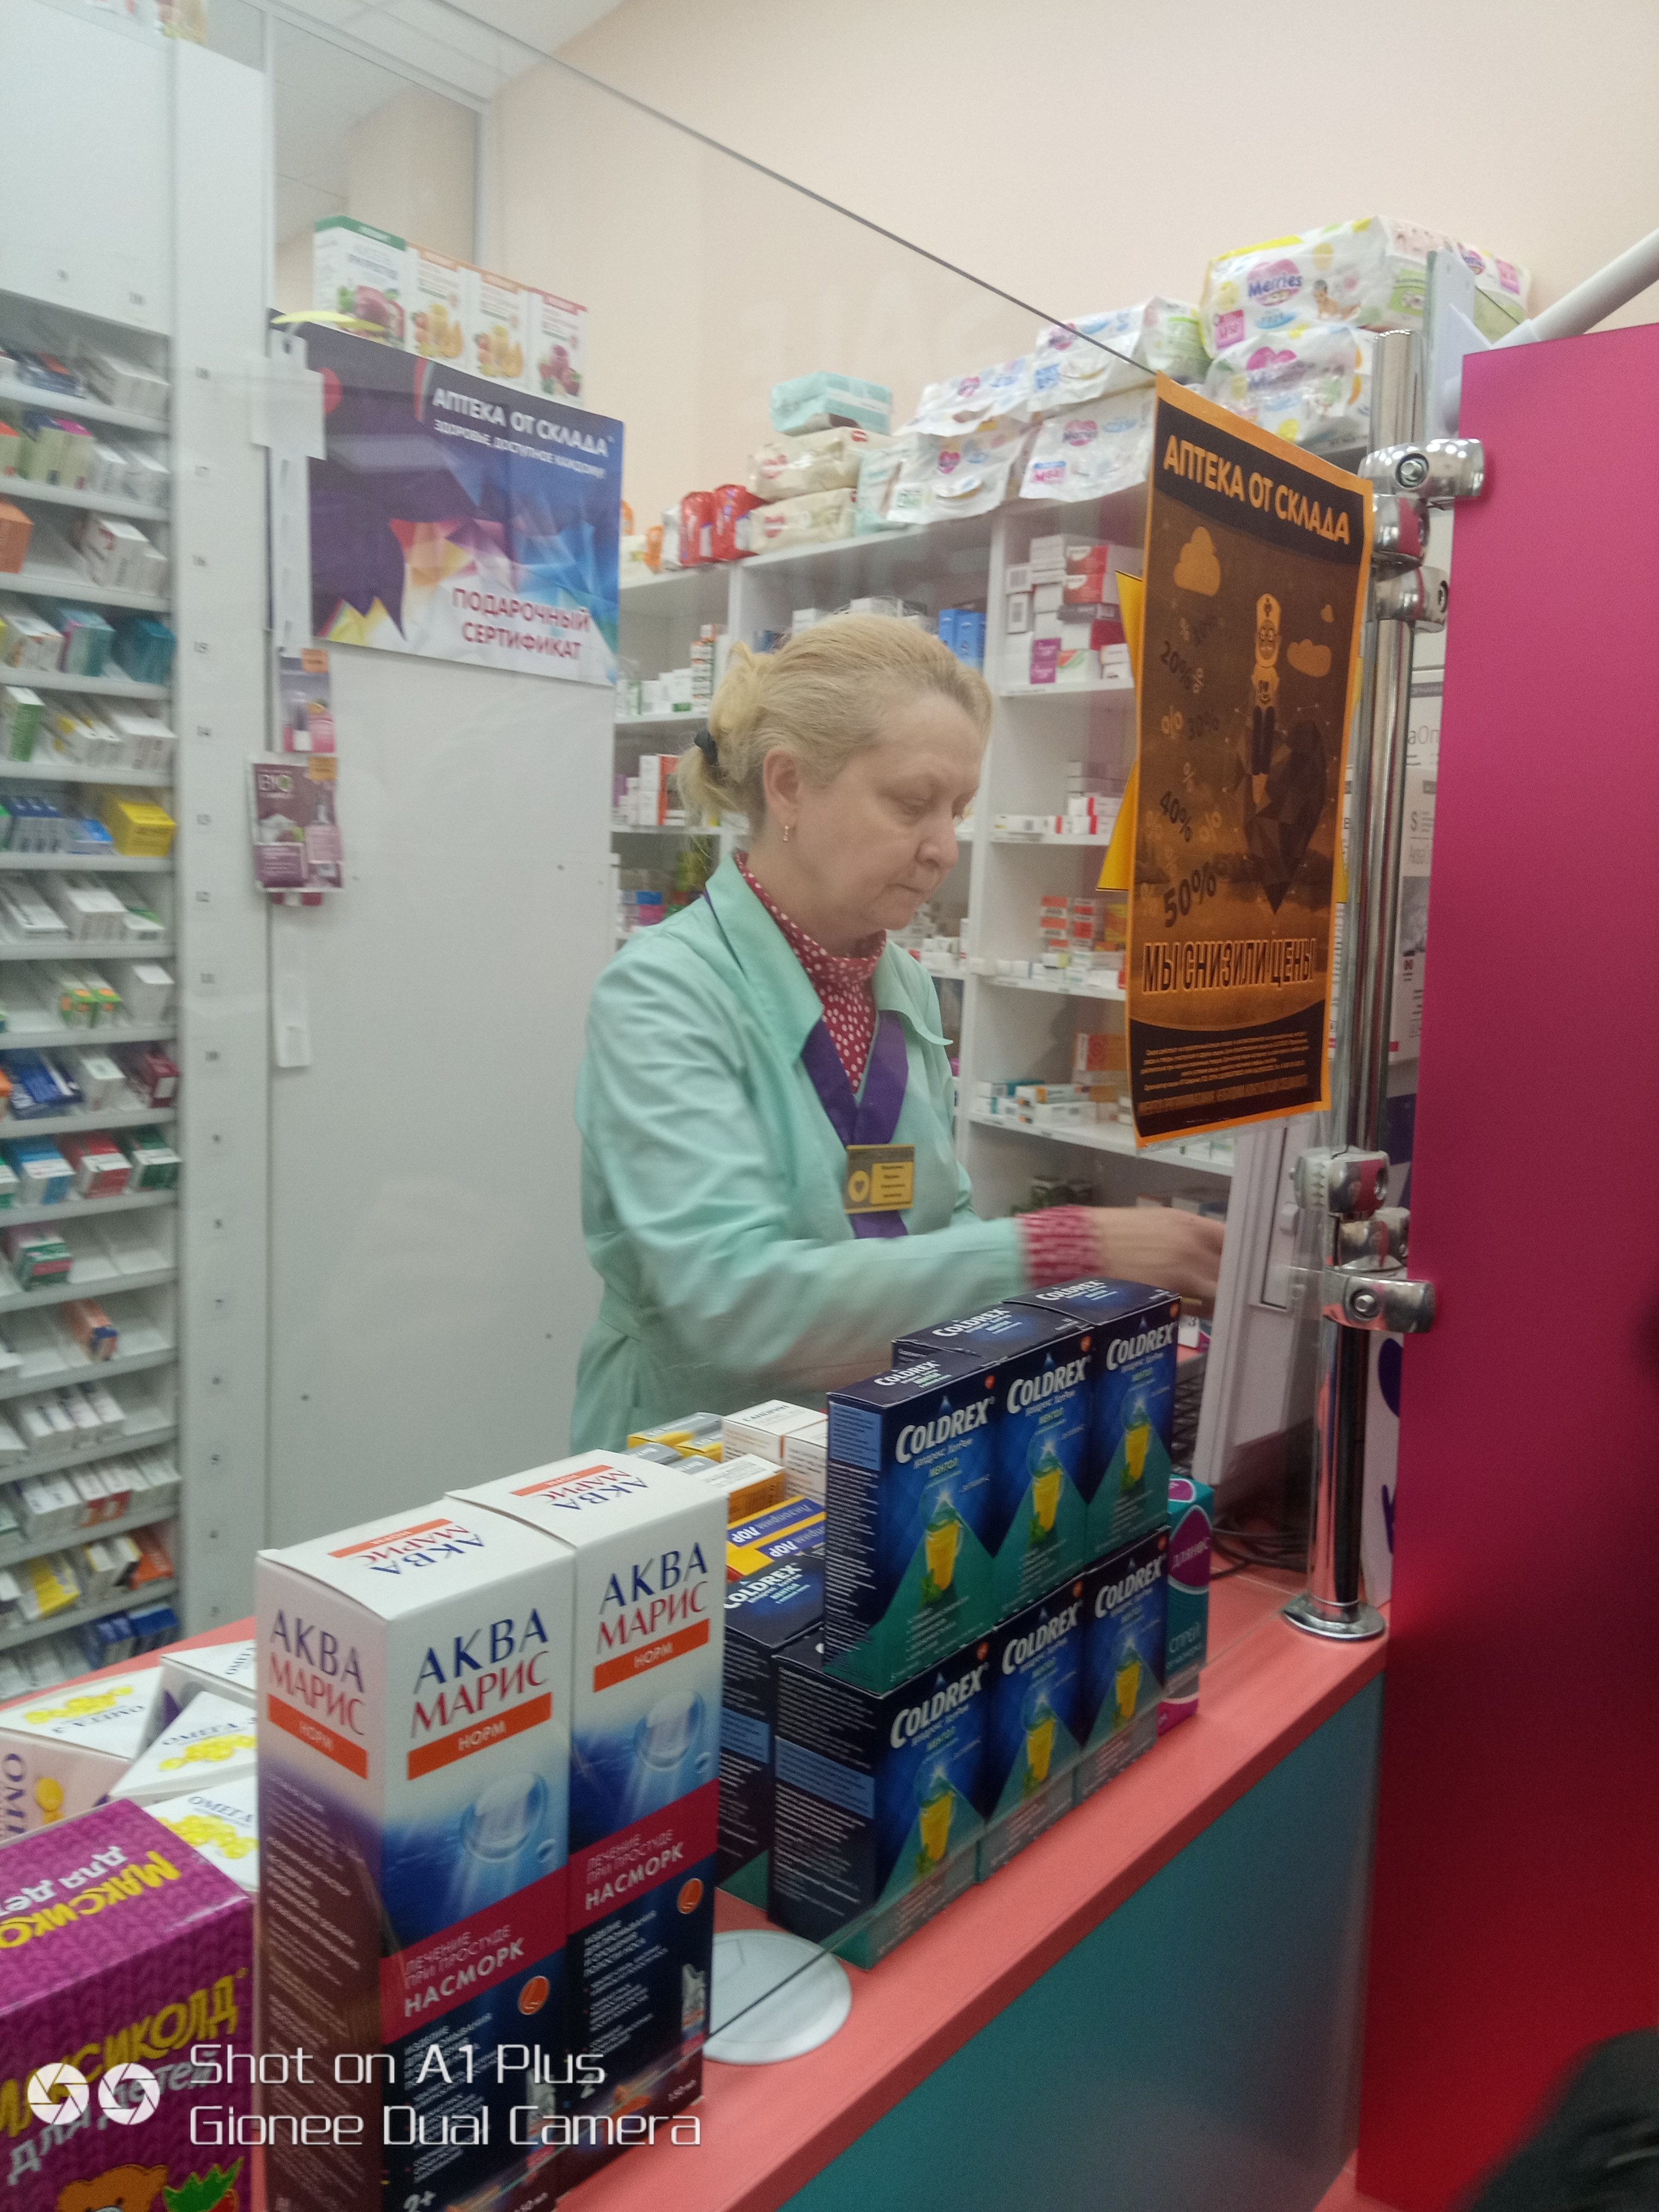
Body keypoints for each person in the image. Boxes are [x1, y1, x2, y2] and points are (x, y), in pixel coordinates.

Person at [571, 617, 1224, 1449]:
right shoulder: (666, 992)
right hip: (694, 1463)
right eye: (913, 805)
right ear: (789, 786)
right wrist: (1065, 1248)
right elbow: (735, 1300)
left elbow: (937, 1221)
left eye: (958, 811)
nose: (945, 848)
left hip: (887, 1443)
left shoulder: (900, 982)